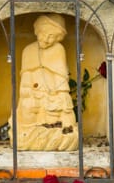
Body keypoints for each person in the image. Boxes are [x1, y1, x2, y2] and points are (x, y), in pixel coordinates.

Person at [15, 14, 79, 151]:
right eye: (45, 34)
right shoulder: (28, 50)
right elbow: (26, 75)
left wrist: (61, 96)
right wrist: (27, 91)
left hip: (53, 93)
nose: (47, 40)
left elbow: (61, 77)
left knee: (58, 115)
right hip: (33, 93)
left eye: (53, 37)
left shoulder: (58, 50)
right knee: (27, 109)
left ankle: (57, 136)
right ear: (38, 31)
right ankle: (29, 136)